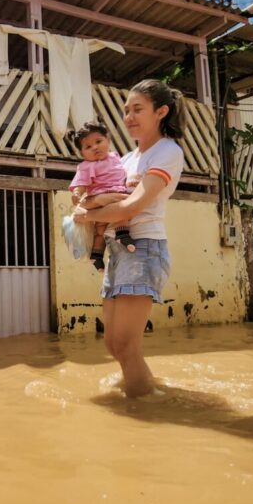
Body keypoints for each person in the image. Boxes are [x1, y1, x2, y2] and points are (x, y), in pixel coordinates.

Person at [72, 79, 186, 398]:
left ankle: (145, 412)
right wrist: (84, 201)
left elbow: (133, 205)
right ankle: (151, 392)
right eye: (126, 111)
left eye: (138, 109)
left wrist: (89, 214)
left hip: (144, 248)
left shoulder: (168, 151)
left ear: (161, 112)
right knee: (113, 344)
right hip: (117, 250)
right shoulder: (126, 159)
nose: (129, 117)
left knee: (125, 343)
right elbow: (104, 195)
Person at [66, 121, 136, 271]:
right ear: (82, 153)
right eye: (88, 147)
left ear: (108, 140)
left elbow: (125, 174)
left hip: (115, 192)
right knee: (119, 210)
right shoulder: (86, 166)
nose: (95, 148)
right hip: (101, 194)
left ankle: (97, 256)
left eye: (98, 141)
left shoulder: (115, 157)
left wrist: (133, 179)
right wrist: (77, 192)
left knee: (102, 227)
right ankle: (119, 237)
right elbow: (82, 182)